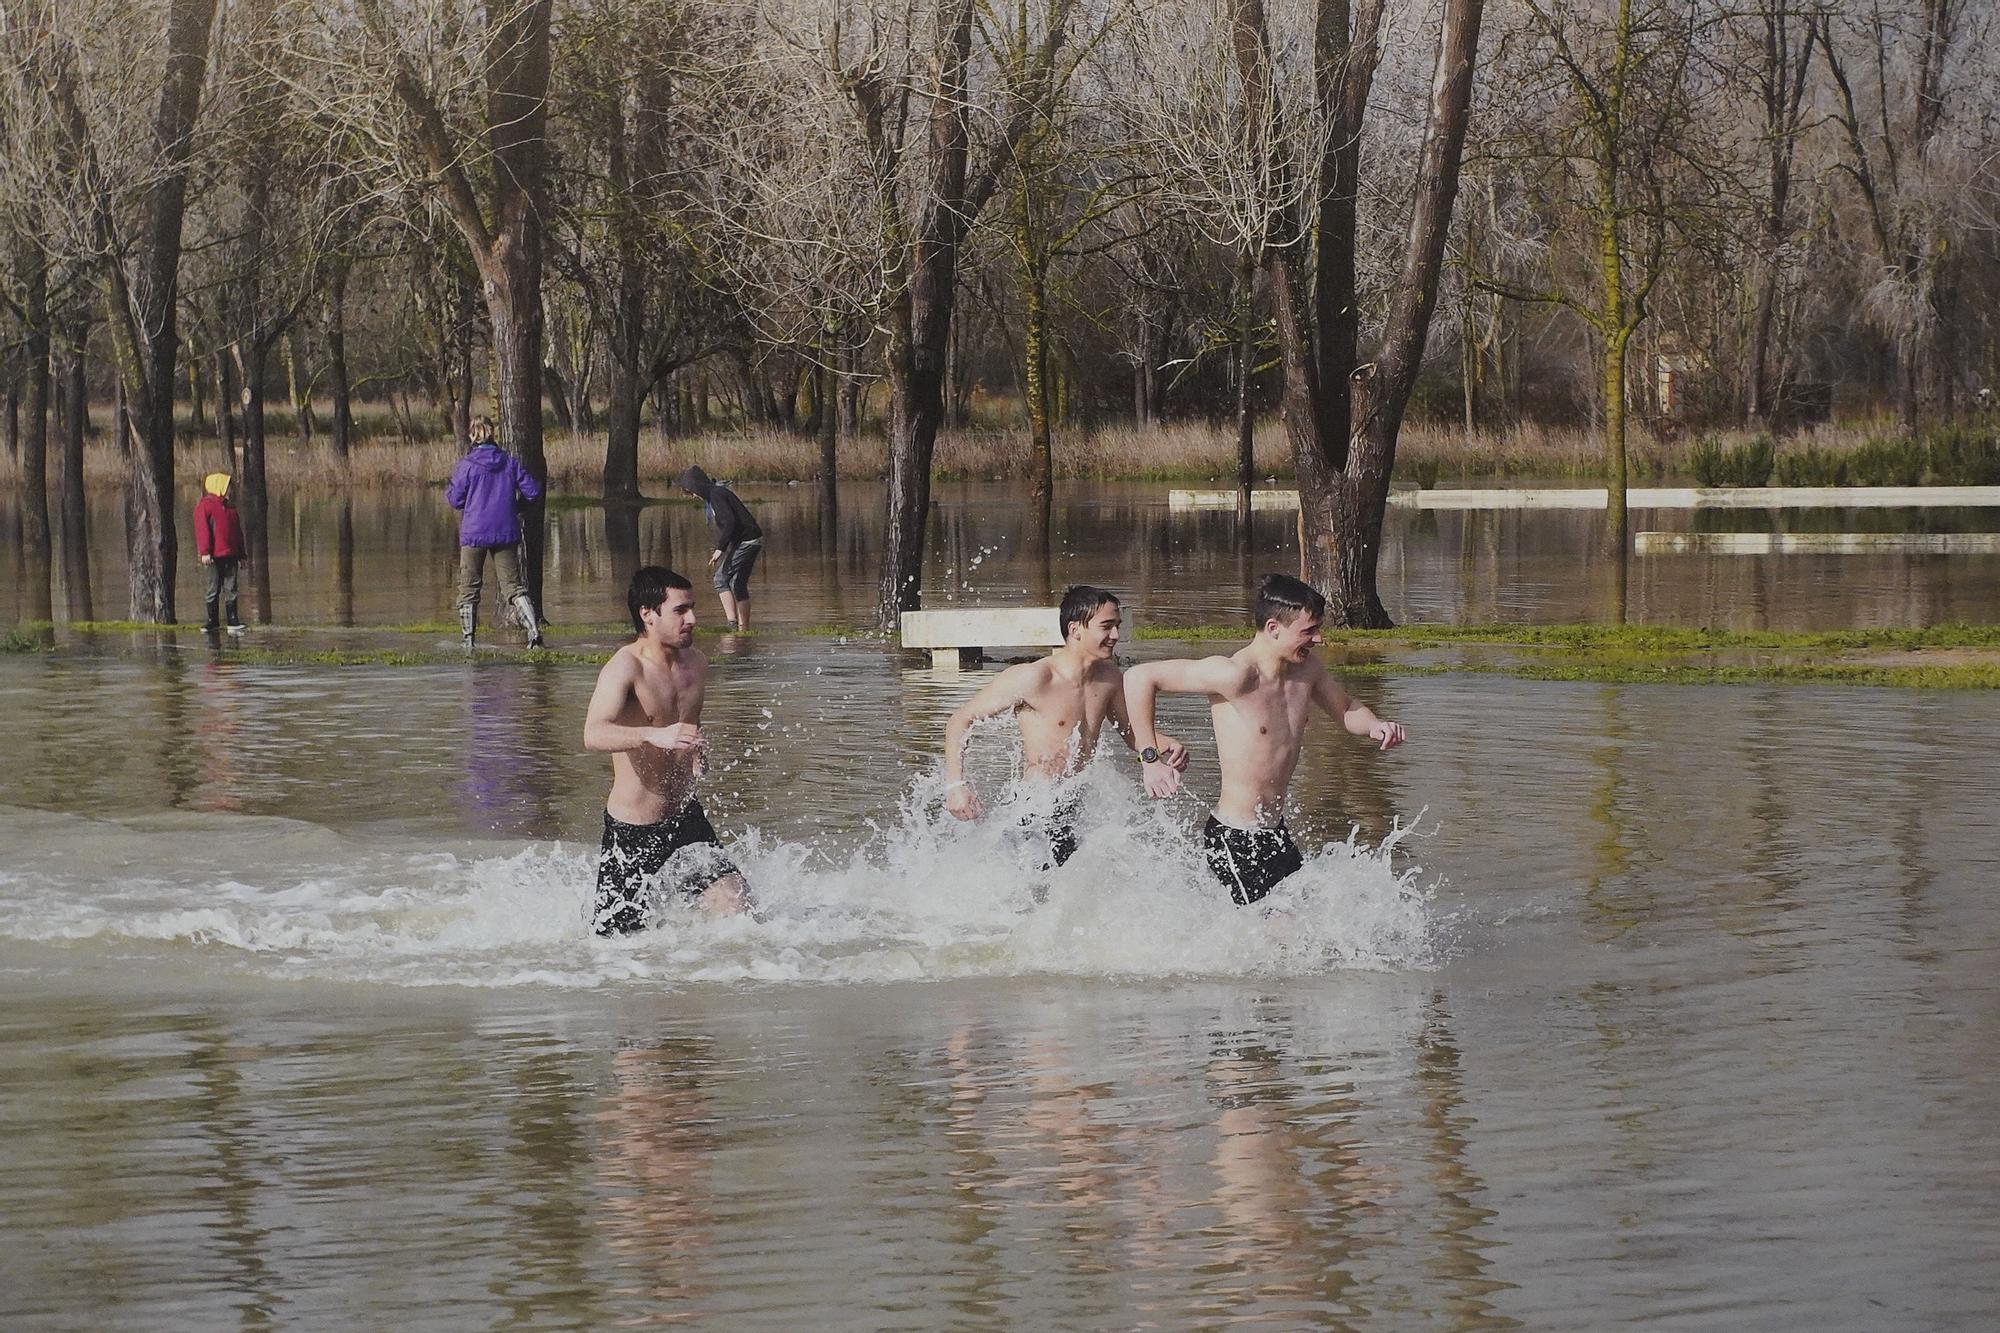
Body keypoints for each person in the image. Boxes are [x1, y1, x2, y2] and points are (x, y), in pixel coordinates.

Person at [1123, 574, 1406, 906]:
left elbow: (1345, 708)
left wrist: (1375, 725)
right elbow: (1138, 677)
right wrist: (1150, 760)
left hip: (1275, 832)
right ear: (1273, 629)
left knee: (1305, 923)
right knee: (1279, 930)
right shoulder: (1234, 674)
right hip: (1234, 835)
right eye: (1309, 631)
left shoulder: (1308, 671)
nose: (1319, 639)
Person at [941, 585, 1187, 869]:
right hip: (1036, 805)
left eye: (1117, 626)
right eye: (1107, 627)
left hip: (1076, 802)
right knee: (1029, 893)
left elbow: (1131, 733)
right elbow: (960, 719)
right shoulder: (1034, 677)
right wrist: (956, 786)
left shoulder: (1109, 678)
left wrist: (1164, 745)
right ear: (1075, 629)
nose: (1116, 636)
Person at [583, 565, 750, 933]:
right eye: (680, 611)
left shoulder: (697, 664)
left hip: (686, 819)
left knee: (738, 910)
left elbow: (689, 727)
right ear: (649, 614)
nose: (692, 618)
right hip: (633, 830)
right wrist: (650, 735)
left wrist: (696, 757)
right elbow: (593, 733)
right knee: (619, 948)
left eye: (692, 608)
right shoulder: (625, 667)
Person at [447, 416, 543, 649]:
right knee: (513, 586)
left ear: (472, 436)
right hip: (505, 531)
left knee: (468, 588)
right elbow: (533, 491)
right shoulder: (509, 462)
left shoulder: (467, 465)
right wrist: (515, 508)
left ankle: (468, 641)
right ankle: (533, 631)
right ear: (492, 434)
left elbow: (454, 498)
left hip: (474, 533)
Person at [676, 465, 763, 631]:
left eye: (692, 491)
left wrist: (719, 550)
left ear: (697, 486)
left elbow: (730, 523)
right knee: (738, 584)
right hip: (752, 540)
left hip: (747, 542)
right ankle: (744, 628)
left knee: (720, 579)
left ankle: (731, 625)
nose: (693, 496)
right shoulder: (716, 494)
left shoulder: (716, 495)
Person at [193, 472, 248, 635]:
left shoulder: (231, 509)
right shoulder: (205, 506)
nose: (230, 490)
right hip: (213, 557)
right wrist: (205, 552)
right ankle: (212, 620)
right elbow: (202, 530)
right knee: (213, 587)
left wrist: (242, 555)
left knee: (231, 587)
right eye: (228, 486)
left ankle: (232, 619)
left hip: (230, 554)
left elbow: (238, 533)